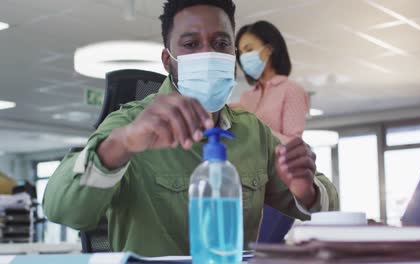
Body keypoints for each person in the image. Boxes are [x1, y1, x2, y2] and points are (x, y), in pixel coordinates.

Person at [43, 0, 339, 257]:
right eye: (191, 44)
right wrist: (119, 146)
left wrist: (307, 191)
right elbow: (61, 209)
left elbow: (329, 207)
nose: (207, 53)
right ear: (167, 60)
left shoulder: (254, 132)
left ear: (233, 56)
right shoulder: (129, 126)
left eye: (221, 43)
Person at [233, 21, 309, 144]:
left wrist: (253, 124)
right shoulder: (246, 97)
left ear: (268, 49)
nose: (243, 58)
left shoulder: (291, 90)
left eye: (249, 50)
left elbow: (293, 146)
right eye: (240, 53)